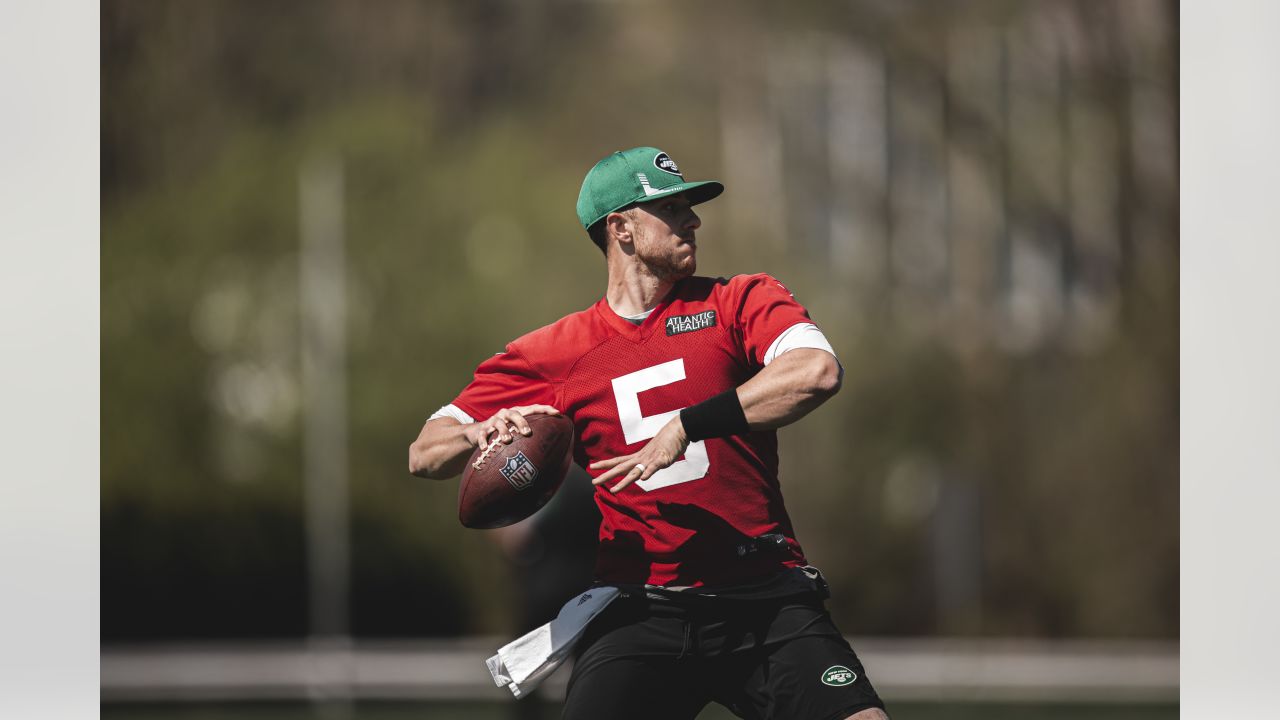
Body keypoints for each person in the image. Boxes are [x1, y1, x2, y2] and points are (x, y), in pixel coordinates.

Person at [409, 147, 888, 720]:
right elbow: (424, 453)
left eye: (690, 205)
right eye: (672, 207)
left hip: (767, 599)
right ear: (622, 229)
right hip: (643, 613)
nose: (694, 219)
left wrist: (687, 424)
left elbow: (816, 372)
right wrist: (475, 432)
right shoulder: (553, 353)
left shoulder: (738, 300)